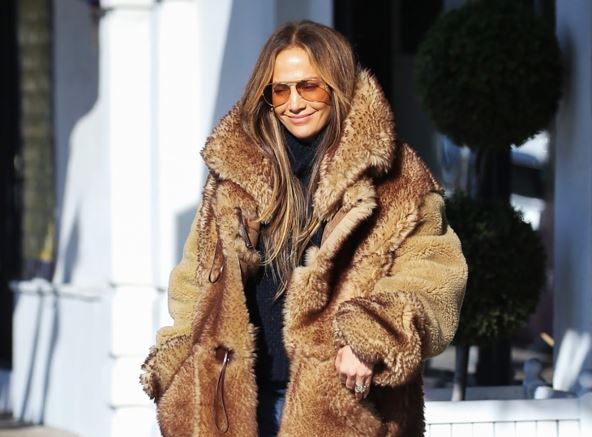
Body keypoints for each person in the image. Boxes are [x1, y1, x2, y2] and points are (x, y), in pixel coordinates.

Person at [140, 20, 467, 437]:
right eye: (280, 90)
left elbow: (435, 278)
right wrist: (177, 367)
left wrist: (373, 335)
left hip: (345, 408)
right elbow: (195, 280)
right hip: (235, 408)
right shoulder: (233, 180)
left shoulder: (396, 178)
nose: (294, 103)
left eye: (309, 87)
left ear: (338, 86)